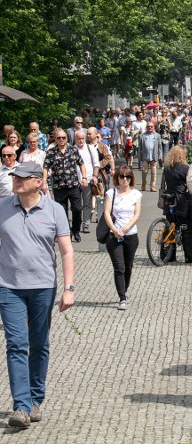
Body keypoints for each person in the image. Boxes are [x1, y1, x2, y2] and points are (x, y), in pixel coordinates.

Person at [0, 162, 75, 427]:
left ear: (37, 180)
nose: (16, 181)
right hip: (8, 287)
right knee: (16, 344)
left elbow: (66, 251)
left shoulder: (54, 210)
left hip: (43, 286)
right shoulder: (3, 207)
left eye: (22, 177)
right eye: (14, 177)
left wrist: (68, 288)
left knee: (39, 344)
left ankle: (35, 399)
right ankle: (20, 406)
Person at [102, 165, 142, 310]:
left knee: (128, 266)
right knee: (119, 267)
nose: (124, 180)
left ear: (131, 179)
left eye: (127, 177)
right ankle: (122, 297)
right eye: (121, 177)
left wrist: (125, 229)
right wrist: (114, 229)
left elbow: (137, 214)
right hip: (114, 236)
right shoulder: (110, 193)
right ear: (117, 178)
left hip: (131, 235)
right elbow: (106, 213)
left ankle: (124, 289)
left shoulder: (136, 194)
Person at [43, 128, 86, 243]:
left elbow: (81, 164)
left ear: (67, 138)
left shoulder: (73, 150)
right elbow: (45, 168)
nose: (61, 139)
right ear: (55, 139)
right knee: (62, 212)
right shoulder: (51, 152)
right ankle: (67, 232)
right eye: (59, 138)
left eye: (63, 137)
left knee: (77, 209)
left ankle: (76, 230)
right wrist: (43, 182)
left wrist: (84, 177)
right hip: (59, 187)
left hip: (74, 185)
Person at [161, 145, 192, 263]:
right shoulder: (185, 168)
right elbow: (191, 184)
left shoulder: (167, 168)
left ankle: (168, 255)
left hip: (168, 199)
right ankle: (189, 256)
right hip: (182, 201)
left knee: (170, 226)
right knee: (186, 227)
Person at [137, 121, 163, 192]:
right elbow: (139, 147)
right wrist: (139, 156)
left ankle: (152, 187)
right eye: (148, 127)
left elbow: (160, 147)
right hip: (145, 157)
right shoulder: (142, 136)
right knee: (144, 172)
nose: (150, 128)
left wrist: (160, 155)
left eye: (151, 126)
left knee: (154, 173)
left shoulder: (157, 135)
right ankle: (143, 185)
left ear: (153, 127)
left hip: (154, 157)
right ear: (146, 127)